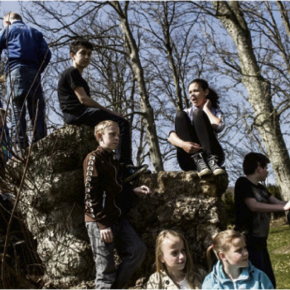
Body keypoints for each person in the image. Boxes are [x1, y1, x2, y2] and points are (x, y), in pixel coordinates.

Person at [58, 39, 148, 182]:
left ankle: (112, 167)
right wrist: (110, 112)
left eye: (89, 54)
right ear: (72, 55)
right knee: (121, 122)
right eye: (83, 53)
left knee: (108, 132)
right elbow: (84, 100)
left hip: (78, 113)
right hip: (76, 114)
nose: (87, 57)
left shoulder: (78, 76)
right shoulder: (72, 72)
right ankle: (124, 168)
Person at [83, 120, 152, 289]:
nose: (116, 138)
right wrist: (102, 224)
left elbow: (116, 189)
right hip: (99, 221)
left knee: (137, 251)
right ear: (100, 136)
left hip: (117, 218)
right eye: (112, 134)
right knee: (105, 274)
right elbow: (90, 195)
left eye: (118, 135)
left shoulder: (113, 160)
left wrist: (132, 190)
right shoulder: (93, 158)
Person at [234, 152, 290, 288]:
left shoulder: (261, 188)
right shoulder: (243, 183)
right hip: (248, 242)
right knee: (256, 283)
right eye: (266, 168)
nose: (267, 171)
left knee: (269, 282)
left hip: (261, 242)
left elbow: (279, 203)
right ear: (258, 167)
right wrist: (283, 207)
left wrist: (286, 205)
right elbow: (253, 206)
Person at [0, 12, 51, 150]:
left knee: (17, 109)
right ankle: (40, 146)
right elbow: (47, 53)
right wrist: (38, 69)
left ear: (8, 21)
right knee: (37, 110)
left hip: (15, 70)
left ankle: (21, 148)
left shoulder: (7, 30)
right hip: (34, 73)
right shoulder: (35, 32)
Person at [168, 79, 225, 177]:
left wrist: (206, 109)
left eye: (196, 91)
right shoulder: (186, 112)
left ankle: (210, 160)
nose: (192, 95)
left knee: (198, 113)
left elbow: (218, 127)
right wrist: (183, 144)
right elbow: (171, 137)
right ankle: (198, 160)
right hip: (189, 160)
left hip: (213, 157)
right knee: (180, 115)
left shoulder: (215, 112)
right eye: (190, 92)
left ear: (206, 92)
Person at [202, 230, 273, 289]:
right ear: (223, 256)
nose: (246, 253)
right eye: (239, 250)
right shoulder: (210, 282)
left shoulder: (259, 277)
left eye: (245, 248)